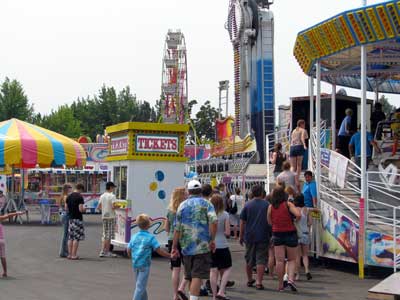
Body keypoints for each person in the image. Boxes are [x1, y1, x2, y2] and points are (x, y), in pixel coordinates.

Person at [171, 180, 217, 300]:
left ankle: (193, 297)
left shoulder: (182, 205)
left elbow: (177, 228)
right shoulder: (207, 204)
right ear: (200, 190)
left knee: (190, 275)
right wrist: (212, 239)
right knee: (197, 275)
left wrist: (174, 246)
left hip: (186, 246)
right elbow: (213, 222)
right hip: (202, 245)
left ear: (188, 191)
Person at [127, 214, 170, 300]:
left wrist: (131, 257)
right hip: (144, 264)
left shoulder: (134, 237)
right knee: (140, 287)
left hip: (135, 264)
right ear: (149, 224)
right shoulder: (150, 238)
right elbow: (159, 251)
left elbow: (128, 249)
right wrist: (170, 256)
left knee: (140, 285)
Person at [267, 186, 301, 292]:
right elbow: (298, 214)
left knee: (279, 260)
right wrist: (295, 221)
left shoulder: (271, 207)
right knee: (291, 259)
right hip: (290, 233)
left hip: (277, 234)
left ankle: (280, 284)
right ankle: (290, 279)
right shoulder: (288, 204)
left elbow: (269, 222)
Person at [239, 185, 270, 290]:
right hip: (263, 235)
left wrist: (241, 235)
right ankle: (259, 282)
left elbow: (243, 222)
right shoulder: (267, 205)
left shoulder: (247, 205)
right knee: (261, 260)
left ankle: (249, 279)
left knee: (249, 259)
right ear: (262, 193)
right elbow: (270, 221)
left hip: (250, 236)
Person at [165, 187, 188, 300]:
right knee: (188, 267)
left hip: (171, 239)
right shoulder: (185, 209)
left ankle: (175, 295)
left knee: (175, 268)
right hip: (183, 240)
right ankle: (182, 287)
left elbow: (166, 227)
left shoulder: (170, 210)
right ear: (183, 195)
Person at [209, 194, 232, 300]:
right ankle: (221, 291)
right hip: (223, 244)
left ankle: (214, 295)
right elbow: (228, 232)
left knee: (213, 271)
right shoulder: (225, 215)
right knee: (227, 268)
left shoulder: (208, 214)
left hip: (211, 245)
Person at [293, 194, 319, 281]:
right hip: (306, 234)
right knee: (305, 255)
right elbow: (310, 223)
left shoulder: (294, 210)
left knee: (297, 256)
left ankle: (297, 274)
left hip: (297, 235)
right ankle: (307, 270)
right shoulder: (307, 210)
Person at [97, 181, 118, 258]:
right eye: (113, 187)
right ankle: (107, 251)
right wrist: (118, 206)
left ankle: (102, 251)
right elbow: (113, 206)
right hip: (111, 217)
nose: (113, 189)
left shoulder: (102, 196)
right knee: (109, 235)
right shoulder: (112, 196)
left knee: (105, 234)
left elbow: (99, 207)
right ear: (111, 187)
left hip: (104, 216)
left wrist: (104, 210)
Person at [0, 211, 23, 277]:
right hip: (2, 240)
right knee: (3, 257)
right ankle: (5, 272)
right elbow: (8, 215)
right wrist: (16, 213)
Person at [65, 183, 85, 260]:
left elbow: (66, 208)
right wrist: (84, 209)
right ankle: (74, 255)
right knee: (76, 238)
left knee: (70, 237)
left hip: (71, 219)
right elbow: (80, 209)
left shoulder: (69, 196)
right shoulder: (80, 197)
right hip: (78, 218)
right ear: (80, 189)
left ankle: (69, 254)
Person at [58, 184, 71, 258]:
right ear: (67, 189)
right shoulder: (66, 196)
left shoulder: (62, 196)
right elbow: (67, 207)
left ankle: (64, 251)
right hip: (66, 215)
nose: (71, 189)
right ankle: (63, 252)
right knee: (66, 234)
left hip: (62, 214)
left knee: (65, 233)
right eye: (70, 188)